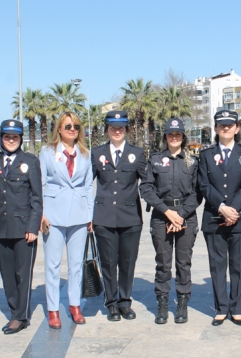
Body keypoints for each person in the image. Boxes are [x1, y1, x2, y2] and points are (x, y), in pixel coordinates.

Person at [139, 118, 200, 324]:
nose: (174, 137)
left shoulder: (192, 160)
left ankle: (182, 305)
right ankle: (162, 304)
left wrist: (180, 214)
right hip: (161, 215)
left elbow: (197, 192)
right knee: (163, 264)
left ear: (183, 137)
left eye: (178, 134)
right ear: (165, 136)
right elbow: (146, 188)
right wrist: (167, 212)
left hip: (186, 216)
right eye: (170, 134)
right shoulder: (155, 160)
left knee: (184, 263)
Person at [198, 110, 241, 326]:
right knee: (217, 265)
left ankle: (237, 308)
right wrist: (222, 208)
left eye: (230, 124)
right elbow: (204, 185)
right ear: (215, 128)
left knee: (239, 266)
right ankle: (221, 308)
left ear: (237, 128)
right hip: (214, 217)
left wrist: (234, 210)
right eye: (221, 125)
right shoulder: (205, 155)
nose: (226, 128)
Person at [39, 112, 93, 329]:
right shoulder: (47, 152)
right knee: (52, 265)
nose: (72, 129)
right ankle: (53, 309)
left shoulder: (85, 154)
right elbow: (40, 183)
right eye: (68, 125)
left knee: (76, 265)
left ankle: (74, 305)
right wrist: (40, 213)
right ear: (59, 129)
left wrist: (90, 215)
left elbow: (89, 186)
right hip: (53, 215)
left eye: (76, 126)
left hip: (79, 215)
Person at [91, 110, 147, 322]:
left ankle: (125, 302)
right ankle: (111, 303)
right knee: (108, 262)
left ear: (126, 130)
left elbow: (147, 181)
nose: (117, 131)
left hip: (130, 218)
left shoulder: (137, 153)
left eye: (121, 127)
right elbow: (87, 185)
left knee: (127, 262)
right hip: (104, 218)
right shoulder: (97, 154)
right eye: (113, 127)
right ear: (107, 129)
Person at [0, 119, 42, 335]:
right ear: (1, 138)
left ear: (21, 139)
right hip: (0, 227)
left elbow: (37, 198)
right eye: (7, 137)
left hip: (23, 228)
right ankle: (14, 312)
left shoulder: (31, 161)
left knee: (23, 273)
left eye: (15, 137)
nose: (11, 140)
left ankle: (20, 316)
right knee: (7, 274)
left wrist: (33, 227)